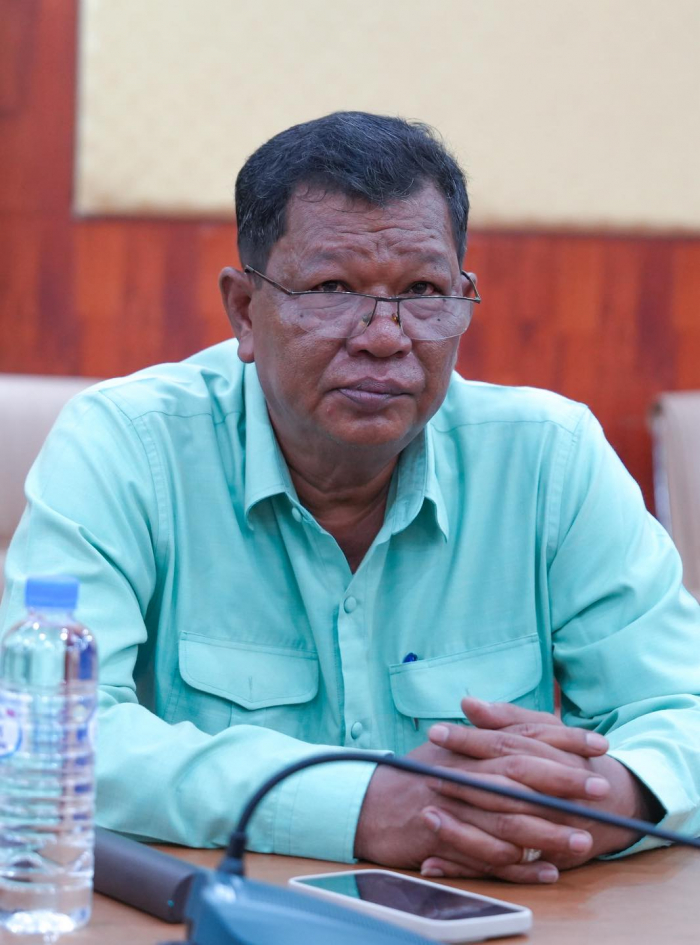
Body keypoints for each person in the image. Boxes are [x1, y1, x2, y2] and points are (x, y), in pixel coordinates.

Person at [2, 111, 700, 886]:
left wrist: (600, 799)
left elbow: (684, 703)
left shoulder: (547, 459)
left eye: (423, 290)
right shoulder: (127, 446)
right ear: (245, 310)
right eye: (333, 288)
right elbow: (40, 735)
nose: (384, 335)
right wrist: (362, 803)